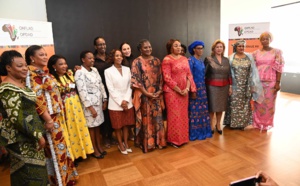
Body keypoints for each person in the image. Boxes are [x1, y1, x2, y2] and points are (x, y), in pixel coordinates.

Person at [25, 45, 78, 185]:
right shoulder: (32, 75)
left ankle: (66, 179)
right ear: (32, 58)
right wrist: (48, 120)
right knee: (54, 152)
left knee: (60, 149)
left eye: (45, 54)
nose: (44, 57)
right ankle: (58, 182)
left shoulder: (43, 72)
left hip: (55, 117)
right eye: (41, 55)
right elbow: (36, 99)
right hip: (48, 119)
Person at [0, 50, 48, 185]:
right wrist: (37, 135)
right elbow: (16, 118)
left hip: (29, 136)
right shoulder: (7, 89)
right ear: (8, 68)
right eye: (20, 66)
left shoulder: (19, 83)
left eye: (25, 65)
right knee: (30, 173)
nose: (25, 69)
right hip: (20, 138)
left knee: (32, 171)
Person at [47, 54, 94, 164]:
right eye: (60, 64)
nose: (64, 66)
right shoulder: (51, 79)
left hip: (76, 106)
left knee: (80, 127)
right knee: (69, 131)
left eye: (65, 63)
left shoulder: (70, 73)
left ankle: (83, 152)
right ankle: (73, 156)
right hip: (65, 108)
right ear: (54, 66)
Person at [131, 39, 166, 153]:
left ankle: (158, 142)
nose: (148, 49)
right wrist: (147, 94)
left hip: (156, 96)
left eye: (149, 47)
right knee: (147, 121)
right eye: (145, 47)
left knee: (158, 119)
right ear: (140, 49)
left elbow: (161, 78)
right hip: (145, 96)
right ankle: (148, 144)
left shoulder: (156, 60)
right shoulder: (136, 62)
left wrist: (159, 92)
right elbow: (135, 80)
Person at [162, 39, 196, 148]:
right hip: (172, 92)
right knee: (174, 116)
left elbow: (189, 75)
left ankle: (183, 138)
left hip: (184, 92)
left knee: (182, 115)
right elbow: (167, 78)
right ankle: (173, 140)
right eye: (176, 46)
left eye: (179, 46)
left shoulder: (184, 59)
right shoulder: (167, 59)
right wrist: (178, 89)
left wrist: (186, 88)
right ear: (171, 47)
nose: (178, 47)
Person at [224, 40, 264, 130]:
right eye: (239, 46)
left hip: (246, 85)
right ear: (236, 47)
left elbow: (254, 72)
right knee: (233, 104)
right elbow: (228, 73)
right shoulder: (230, 58)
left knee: (245, 104)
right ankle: (232, 123)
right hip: (234, 85)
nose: (241, 48)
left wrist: (253, 84)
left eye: (243, 46)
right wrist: (229, 86)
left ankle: (243, 123)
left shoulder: (249, 57)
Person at [75, 50, 108, 159]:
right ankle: (94, 149)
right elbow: (82, 91)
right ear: (83, 60)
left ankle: (99, 146)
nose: (92, 60)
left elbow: (101, 84)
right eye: (89, 58)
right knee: (92, 127)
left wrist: (105, 99)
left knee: (97, 126)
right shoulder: (80, 72)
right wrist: (90, 108)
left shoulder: (94, 70)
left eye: (93, 58)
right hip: (89, 106)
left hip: (98, 103)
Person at [252, 32, 284, 131]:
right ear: (260, 40)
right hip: (258, 82)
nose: (265, 41)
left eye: (267, 39)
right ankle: (257, 123)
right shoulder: (255, 53)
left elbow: (279, 68)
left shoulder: (277, 52)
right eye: (263, 39)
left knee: (269, 104)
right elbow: (252, 69)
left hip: (271, 82)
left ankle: (266, 124)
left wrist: (278, 83)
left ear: (270, 40)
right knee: (258, 103)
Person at [105, 49, 135, 155]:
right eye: (117, 56)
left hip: (128, 102)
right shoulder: (108, 71)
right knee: (118, 126)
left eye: (120, 56)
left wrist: (126, 100)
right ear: (112, 57)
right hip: (115, 104)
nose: (119, 57)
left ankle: (126, 143)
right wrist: (121, 102)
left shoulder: (127, 69)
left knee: (126, 125)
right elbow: (110, 89)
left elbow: (130, 86)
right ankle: (120, 144)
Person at [204, 40, 232, 135]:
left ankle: (218, 124)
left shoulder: (226, 60)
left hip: (224, 86)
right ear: (213, 49)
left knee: (221, 107)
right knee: (212, 107)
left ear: (223, 49)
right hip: (211, 86)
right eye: (217, 47)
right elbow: (204, 73)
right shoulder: (208, 59)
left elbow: (229, 74)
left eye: (221, 47)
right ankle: (211, 124)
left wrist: (230, 86)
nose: (219, 49)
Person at [93, 37, 116, 148]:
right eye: (100, 44)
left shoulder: (110, 57)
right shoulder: (93, 59)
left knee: (111, 113)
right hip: (101, 91)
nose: (102, 46)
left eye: (104, 44)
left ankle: (111, 136)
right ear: (95, 46)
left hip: (112, 89)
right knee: (104, 114)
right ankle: (105, 137)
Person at [187, 40, 212, 140]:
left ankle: (203, 131)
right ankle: (194, 133)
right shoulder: (190, 61)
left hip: (203, 88)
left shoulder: (201, 61)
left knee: (203, 111)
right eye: (198, 48)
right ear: (194, 49)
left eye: (202, 48)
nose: (201, 50)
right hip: (194, 88)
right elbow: (189, 76)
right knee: (194, 111)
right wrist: (193, 90)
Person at [119, 42, 135, 141]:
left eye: (128, 48)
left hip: (135, 90)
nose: (126, 51)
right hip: (125, 91)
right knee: (126, 113)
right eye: (124, 49)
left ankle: (134, 131)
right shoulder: (120, 62)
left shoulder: (135, 60)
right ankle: (128, 132)